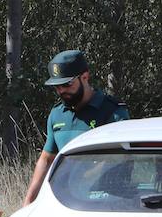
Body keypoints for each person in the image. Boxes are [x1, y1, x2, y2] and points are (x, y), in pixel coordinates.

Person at [24, 49, 129, 206]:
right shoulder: (56, 115)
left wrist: (81, 177)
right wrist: (29, 201)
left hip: (106, 204)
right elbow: (46, 159)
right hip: (64, 203)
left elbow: (121, 158)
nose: (61, 91)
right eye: (57, 86)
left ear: (85, 77)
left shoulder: (113, 112)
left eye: (67, 84)